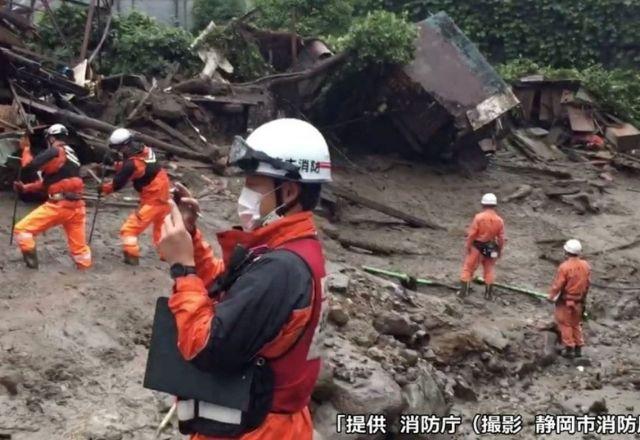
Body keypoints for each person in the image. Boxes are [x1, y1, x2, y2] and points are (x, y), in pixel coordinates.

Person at [157, 118, 331, 440]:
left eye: (254, 184)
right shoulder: (288, 249)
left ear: (289, 191)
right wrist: (192, 240)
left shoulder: (281, 270)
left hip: (257, 429)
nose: (244, 194)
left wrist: (183, 270)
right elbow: (230, 290)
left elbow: (206, 348)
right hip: (258, 418)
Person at [13, 124, 92, 269]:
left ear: (51, 138)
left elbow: (29, 167)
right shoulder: (71, 155)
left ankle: (32, 267)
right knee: (80, 251)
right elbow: (49, 183)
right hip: (78, 207)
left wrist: (25, 149)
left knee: (22, 230)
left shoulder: (54, 151)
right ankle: (84, 269)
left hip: (59, 205)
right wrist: (26, 188)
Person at [99, 128, 170, 265]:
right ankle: (167, 254)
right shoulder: (144, 150)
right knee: (160, 228)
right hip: (164, 194)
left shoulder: (132, 164)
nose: (118, 152)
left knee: (129, 229)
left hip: (153, 199)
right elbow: (136, 167)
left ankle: (132, 256)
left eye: (118, 148)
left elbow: (118, 184)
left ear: (124, 145)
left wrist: (102, 189)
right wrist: (116, 165)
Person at [548, 239, 591, 359]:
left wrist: (551, 296)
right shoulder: (585, 265)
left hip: (566, 301)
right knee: (576, 324)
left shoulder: (565, 267)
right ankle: (578, 347)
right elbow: (587, 284)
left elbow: (558, 284)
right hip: (579, 301)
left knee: (565, 324)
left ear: (566, 252)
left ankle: (569, 348)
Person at [459, 193, 506, 300]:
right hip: (491, 247)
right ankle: (488, 295)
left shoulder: (478, 217)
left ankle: (463, 293)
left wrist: (468, 245)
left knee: (468, 268)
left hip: (477, 246)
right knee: (489, 270)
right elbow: (501, 238)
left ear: (483, 204)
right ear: (495, 205)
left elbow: (472, 234)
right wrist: (499, 250)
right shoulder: (499, 220)